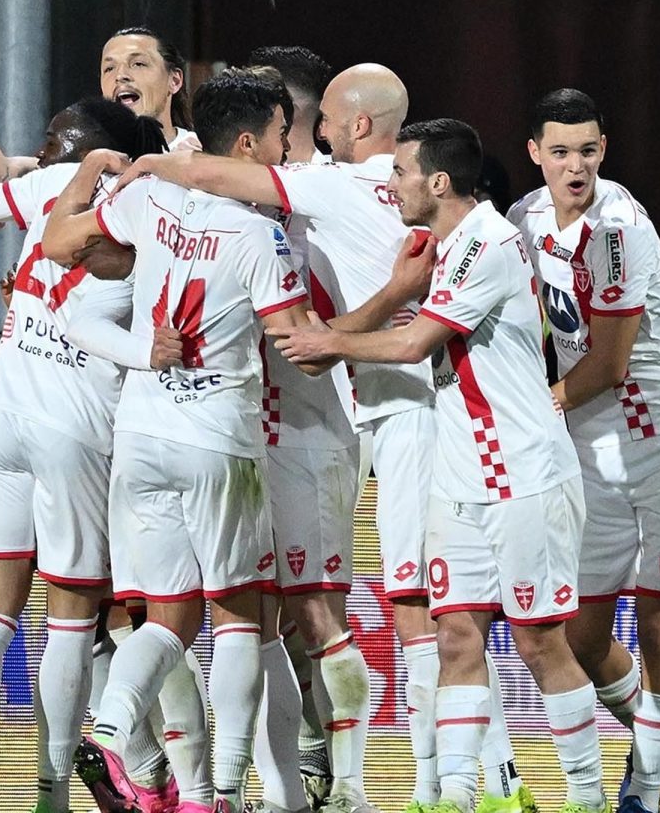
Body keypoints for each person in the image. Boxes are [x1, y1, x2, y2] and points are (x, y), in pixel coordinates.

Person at [113, 65, 531, 813]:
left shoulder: (331, 187)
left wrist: (142, 164)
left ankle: (443, 788)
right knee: (411, 608)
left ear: (359, 125)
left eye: (326, 122)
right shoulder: (399, 192)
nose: (316, 136)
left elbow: (210, 171)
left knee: (418, 609)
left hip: (390, 413)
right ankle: (425, 784)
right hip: (380, 413)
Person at [268, 118, 608, 813]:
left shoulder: (488, 242)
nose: (391, 185)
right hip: (461, 474)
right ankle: (455, 795)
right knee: (455, 636)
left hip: (523, 471)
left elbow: (414, 344)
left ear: (440, 182)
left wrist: (328, 342)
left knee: (540, 642)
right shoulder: (442, 247)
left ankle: (587, 797)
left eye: (400, 173)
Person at [41, 67, 312, 813]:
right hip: (218, 437)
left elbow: (60, 243)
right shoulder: (259, 233)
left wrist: (97, 179)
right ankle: (223, 790)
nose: (286, 151)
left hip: (141, 435)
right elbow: (298, 343)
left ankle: (112, 724)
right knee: (238, 613)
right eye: (280, 136)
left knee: (167, 620)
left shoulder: (149, 198)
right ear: (246, 144)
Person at [0, 98, 169, 813]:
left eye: (53, 139)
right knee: (70, 621)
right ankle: (52, 792)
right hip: (77, 426)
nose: (41, 150)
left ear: (87, 147)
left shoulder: (46, 186)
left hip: (2, 416)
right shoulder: (144, 210)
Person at [507, 88, 660, 813]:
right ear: (535, 153)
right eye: (561, 152)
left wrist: (532, 407)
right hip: (590, 445)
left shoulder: (620, 229)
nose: (576, 167)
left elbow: (609, 364)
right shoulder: (524, 219)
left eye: (588, 151)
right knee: (583, 638)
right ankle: (650, 740)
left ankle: (645, 795)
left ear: (605, 150)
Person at [249, 45, 378, 813]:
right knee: (255, 617)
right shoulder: (247, 197)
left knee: (313, 612)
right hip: (245, 440)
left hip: (313, 433)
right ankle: (279, 780)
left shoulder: (331, 194)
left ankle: (348, 784)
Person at [0, 26, 196, 185]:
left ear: (174, 80)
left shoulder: (200, 152)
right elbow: (4, 172)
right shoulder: (80, 156)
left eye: (138, 64)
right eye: (109, 68)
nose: (121, 76)